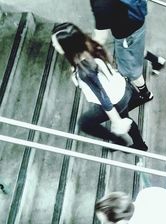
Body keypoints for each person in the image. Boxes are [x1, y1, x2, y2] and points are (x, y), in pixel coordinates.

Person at [51, 22, 148, 151]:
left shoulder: (84, 71)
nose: (53, 45)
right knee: (124, 116)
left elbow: (104, 99)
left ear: (67, 47)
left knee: (85, 123)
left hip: (115, 100)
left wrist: (116, 121)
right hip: (122, 88)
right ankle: (139, 144)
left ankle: (120, 141)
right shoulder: (89, 44)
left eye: (56, 43)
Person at [90, 0, 163, 102]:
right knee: (135, 49)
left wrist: (85, 54)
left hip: (125, 35)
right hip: (137, 18)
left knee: (130, 69)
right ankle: (157, 61)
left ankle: (146, 94)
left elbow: (100, 38)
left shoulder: (101, 4)